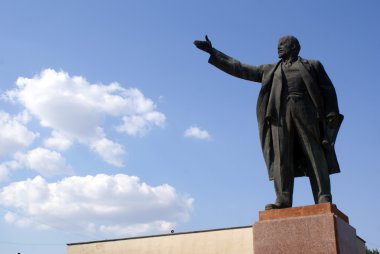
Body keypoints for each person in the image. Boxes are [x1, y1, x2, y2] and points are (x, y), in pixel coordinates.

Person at [194, 35, 343, 210]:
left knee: (314, 153)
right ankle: (283, 199)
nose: (278, 48)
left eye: (282, 45)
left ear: (294, 47)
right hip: (278, 116)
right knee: (281, 156)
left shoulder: (313, 65)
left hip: (307, 113)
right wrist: (213, 52)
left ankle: (323, 196)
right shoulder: (271, 70)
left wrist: (332, 111)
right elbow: (241, 68)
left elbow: (328, 89)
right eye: (278, 45)